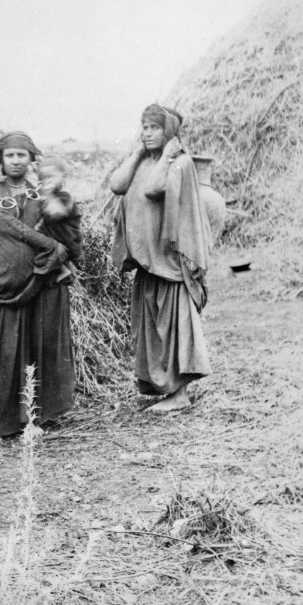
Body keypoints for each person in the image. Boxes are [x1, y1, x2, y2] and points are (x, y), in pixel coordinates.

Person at [109, 104, 212, 412]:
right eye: (144, 126)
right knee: (152, 328)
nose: (146, 132)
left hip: (168, 262)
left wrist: (167, 154)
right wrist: (140, 152)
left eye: (153, 127)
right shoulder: (143, 162)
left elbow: (154, 189)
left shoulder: (178, 163)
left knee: (172, 325)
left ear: (169, 132)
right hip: (146, 263)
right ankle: (166, 389)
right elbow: (117, 185)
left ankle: (179, 395)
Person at [0, 132, 78, 438]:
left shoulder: (40, 196)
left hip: (40, 283)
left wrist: (59, 251)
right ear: (1, 160)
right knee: (9, 349)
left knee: (37, 347)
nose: (16, 161)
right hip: (8, 285)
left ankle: (35, 419)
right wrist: (51, 246)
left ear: (31, 159)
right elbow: (11, 227)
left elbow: (65, 228)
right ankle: (7, 418)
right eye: (10, 155)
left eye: (22, 155)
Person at [36, 154, 82, 285]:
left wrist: (47, 194)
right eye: (44, 177)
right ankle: (64, 268)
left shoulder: (65, 197)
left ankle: (63, 270)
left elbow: (56, 213)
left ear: (63, 177)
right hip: (60, 240)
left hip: (68, 240)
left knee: (38, 241)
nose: (48, 180)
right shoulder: (53, 197)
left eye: (52, 176)